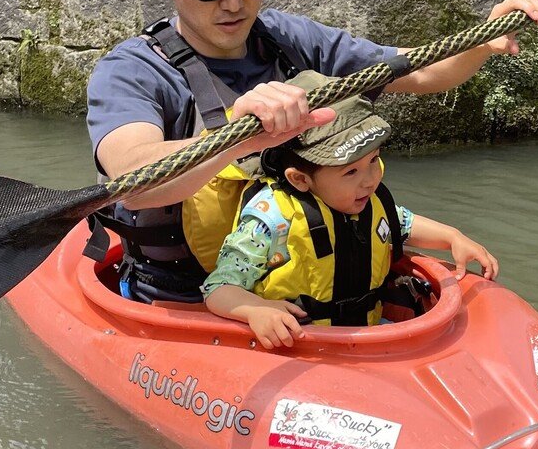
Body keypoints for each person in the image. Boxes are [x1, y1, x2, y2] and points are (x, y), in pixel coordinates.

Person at [86, 0, 538, 303]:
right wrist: (237, 136)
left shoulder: (291, 41)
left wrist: (483, 39)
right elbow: (134, 182)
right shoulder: (133, 70)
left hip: (301, 296)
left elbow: (421, 71)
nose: (234, 2)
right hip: (182, 299)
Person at [202, 72, 497, 349]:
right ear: (300, 179)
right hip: (301, 345)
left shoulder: (367, 201)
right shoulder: (270, 219)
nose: (370, 179)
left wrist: (453, 237)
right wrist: (257, 311)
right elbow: (218, 289)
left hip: (365, 340)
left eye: (374, 159)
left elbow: (402, 223)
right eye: (350, 172)